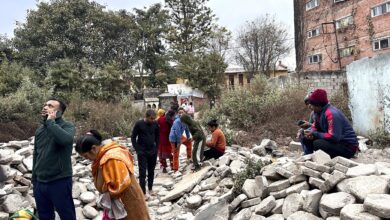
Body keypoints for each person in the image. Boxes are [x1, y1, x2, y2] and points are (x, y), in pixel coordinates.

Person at [75, 130, 150, 220]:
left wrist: (104, 196)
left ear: (94, 148)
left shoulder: (111, 159)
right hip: (121, 201)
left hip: (127, 201)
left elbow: (119, 186)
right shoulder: (102, 156)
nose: (88, 159)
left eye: (86, 156)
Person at [32, 98, 76, 220]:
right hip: (40, 183)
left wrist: (51, 123)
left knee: (67, 215)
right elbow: (36, 154)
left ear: (59, 112)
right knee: (44, 216)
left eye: (50, 106)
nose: (45, 107)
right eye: (45, 104)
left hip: (59, 180)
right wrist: (34, 180)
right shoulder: (40, 130)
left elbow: (65, 140)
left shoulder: (67, 126)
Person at [302, 89, 359, 158]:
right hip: (336, 142)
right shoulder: (318, 113)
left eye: (312, 105)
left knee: (318, 144)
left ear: (318, 105)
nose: (311, 107)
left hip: (347, 146)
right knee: (305, 137)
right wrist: (310, 132)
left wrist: (315, 134)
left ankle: (327, 159)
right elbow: (315, 127)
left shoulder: (331, 114)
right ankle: (308, 157)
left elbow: (334, 137)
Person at [131, 109, 159, 198]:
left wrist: (157, 148)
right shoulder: (139, 124)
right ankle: (143, 193)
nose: (153, 120)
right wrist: (137, 149)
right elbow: (133, 137)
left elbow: (158, 136)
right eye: (151, 118)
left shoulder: (155, 124)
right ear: (146, 117)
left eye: (154, 118)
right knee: (142, 172)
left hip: (152, 151)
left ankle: (150, 189)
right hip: (142, 152)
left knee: (151, 171)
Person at [169, 107, 192, 172]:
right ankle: (175, 169)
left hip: (179, 136)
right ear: (177, 114)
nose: (181, 114)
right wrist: (179, 142)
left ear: (185, 113)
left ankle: (189, 158)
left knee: (189, 142)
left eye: (182, 112)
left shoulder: (185, 120)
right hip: (174, 138)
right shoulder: (177, 121)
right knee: (176, 153)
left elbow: (187, 129)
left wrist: (188, 137)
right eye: (179, 113)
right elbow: (177, 132)